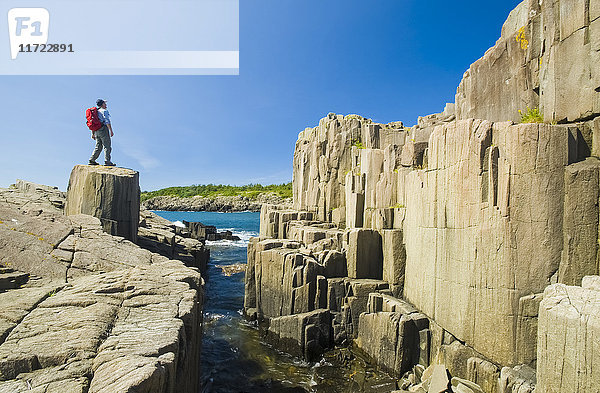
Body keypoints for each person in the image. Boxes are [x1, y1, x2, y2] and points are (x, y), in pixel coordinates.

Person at [89, 98, 115, 166]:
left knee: (98, 146)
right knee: (107, 145)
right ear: (101, 104)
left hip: (97, 130)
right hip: (103, 129)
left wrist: (93, 133)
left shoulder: (95, 112)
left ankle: (92, 160)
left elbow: (93, 123)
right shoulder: (104, 111)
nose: (105, 104)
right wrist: (111, 131)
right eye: (104, 103)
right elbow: (107, 121)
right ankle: (107, 161)